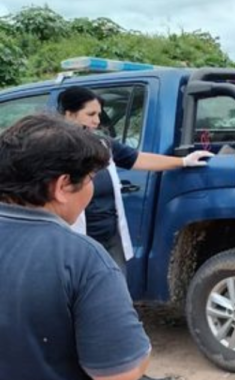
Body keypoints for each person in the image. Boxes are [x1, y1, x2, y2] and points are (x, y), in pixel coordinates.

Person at [0, 114, 151, 380]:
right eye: (91, 178)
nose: (92, 187)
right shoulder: (82, 258)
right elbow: (120, 373)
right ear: (62, 186)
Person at [59, 86, 214, 272]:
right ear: (69, 114)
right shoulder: (53, 149)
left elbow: (138, 159)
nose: (97, 121)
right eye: (90, 114)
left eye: (99, 114)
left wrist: (183, 161)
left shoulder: (102, 144)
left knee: (115, 289)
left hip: (109, 239)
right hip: (75, 240)